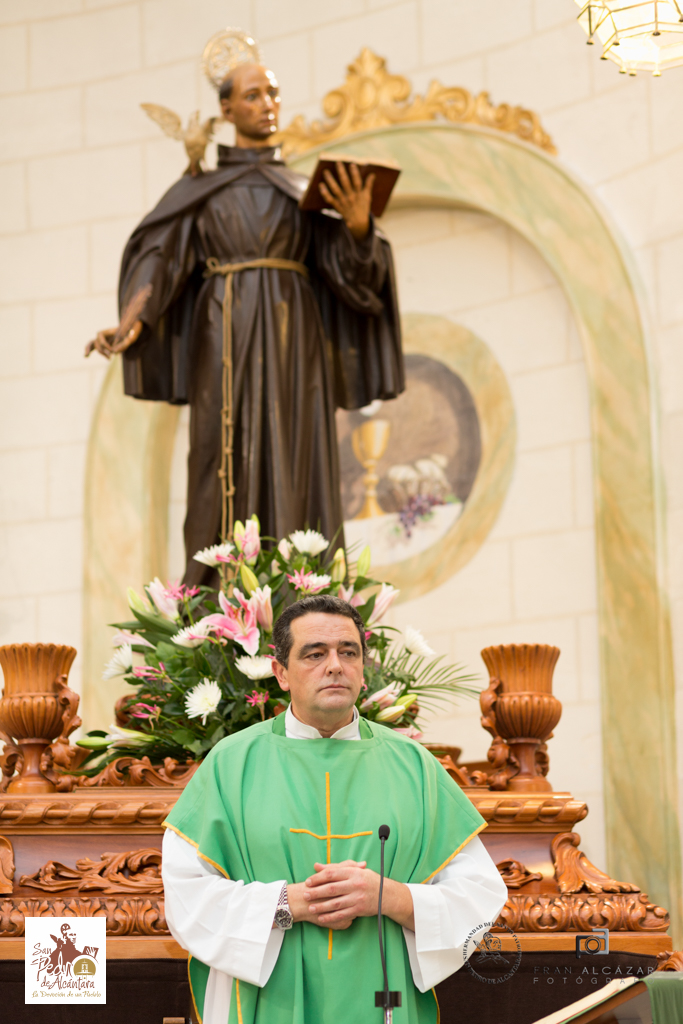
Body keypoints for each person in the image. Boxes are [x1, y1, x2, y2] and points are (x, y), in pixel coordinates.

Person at [90, 33, 403, 587]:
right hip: (223, 334)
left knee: (297, 451)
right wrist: (133, 319)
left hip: (295, 344)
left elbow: (355, 280)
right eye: (253, 95)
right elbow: (161, 259)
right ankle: (219, 593)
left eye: (273, 93)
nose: (267, 104)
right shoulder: (203, 191)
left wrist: (357, 228)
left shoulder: (303, 192)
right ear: (227, 109)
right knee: (218, 454)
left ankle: (304, 586)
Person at [162, 596, 507, 1024]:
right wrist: (290, 902)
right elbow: (186, 894)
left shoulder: (415, 765)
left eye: (348, 652)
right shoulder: (231, 763)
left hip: (383, 996)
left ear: (363, 668)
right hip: (266, 999)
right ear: (281, 673)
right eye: (314, 654)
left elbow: (478, 897)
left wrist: (388, 896)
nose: (335, 666)